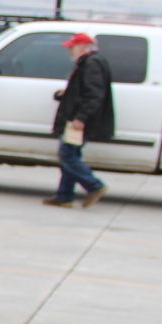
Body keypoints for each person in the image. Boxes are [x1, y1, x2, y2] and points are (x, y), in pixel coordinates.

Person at [44, 32, 115, 208]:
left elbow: (94, 95)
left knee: (67, 155)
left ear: (82, 46)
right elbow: (84, 91)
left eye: (72, 47)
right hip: (77, 117)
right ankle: (64, 196)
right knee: (71, 155)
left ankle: (94, 186)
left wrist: (81, 118)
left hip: (79, 120)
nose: (70, 51)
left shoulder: (92, 63)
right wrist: (66, 95)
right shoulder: (90, 62)